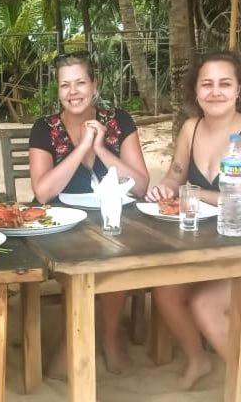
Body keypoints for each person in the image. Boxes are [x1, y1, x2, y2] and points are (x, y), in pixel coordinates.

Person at [145, 50, 241, 390]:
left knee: (206, 304)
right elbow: (175, 175)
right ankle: (198, 360)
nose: (215, 92)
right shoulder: (191, 128)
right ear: (196, 90)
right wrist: (165, 188)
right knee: (164, 289)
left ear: (239, 90)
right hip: (222, 243)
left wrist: (191, 192)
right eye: (207, 84)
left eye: (224, 84)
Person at [28, 50, 150, 377]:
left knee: (118, 253)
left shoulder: (119, 121)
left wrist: (99, 148)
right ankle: (73, 340)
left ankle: (109, 337)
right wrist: (81, 147)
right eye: (65, 85)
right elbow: (43, 192)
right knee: (79, 261)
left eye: (80, 82)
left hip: (113, 220)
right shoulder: (44, 128)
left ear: (94, 85)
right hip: (61, 223)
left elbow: (140, 185)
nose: (73, 92)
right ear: (58, 90)